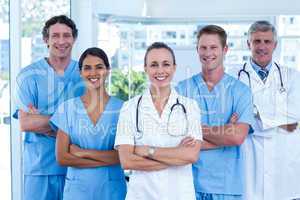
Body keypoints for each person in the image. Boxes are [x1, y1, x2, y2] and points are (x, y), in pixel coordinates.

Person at [115, 42, 202, 200]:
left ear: (174, 67)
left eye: (166, 64)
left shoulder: (190, 107)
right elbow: (126, 160)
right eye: (154, 65)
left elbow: (191, 155)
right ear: (146, 68)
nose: (160, 70)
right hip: (141, 195)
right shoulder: (129, 108)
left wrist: (146, 151)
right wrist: (176, 157)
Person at [176, 25, 255, 200]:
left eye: (213, 47)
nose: (208, 53)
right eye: (203, 47)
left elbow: (237, 137)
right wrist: (225, 131)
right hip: (189, 185)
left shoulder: (240, 91)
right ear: (197, 49)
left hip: (227, 187)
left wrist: (196, 129)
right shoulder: (182, 89)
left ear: (225, 49)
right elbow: (177, 140)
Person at [227, 20, 300, 200]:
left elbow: (295, 113)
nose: (262, 46)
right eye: (257, 41)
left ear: (275, 45)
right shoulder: (232, 78)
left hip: (283, 167)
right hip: (248, 164)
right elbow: (230, 117)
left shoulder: (292, 77)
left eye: (267, 42)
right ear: (248, 44)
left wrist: (253, 117)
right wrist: (279, 121)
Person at [14, 15, 84, 200]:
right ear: (46, 39)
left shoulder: (85, 75)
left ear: (74, 39)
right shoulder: (28, 76)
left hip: (77, 167)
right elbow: (26, 123)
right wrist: (69, 123)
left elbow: (90, 125)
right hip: (40, 168)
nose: (61, 41)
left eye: (67, 35)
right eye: (55, 36)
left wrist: (43, 120)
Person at [50, 47, 127, 200]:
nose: (93, 73)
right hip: (78, 191)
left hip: (112, 190)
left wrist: (82, 153)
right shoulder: (67, 108)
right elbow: (62, 157)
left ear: (107, 71)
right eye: (87, 68)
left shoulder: (123, 109)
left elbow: (124, 157)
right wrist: (107, 158)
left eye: (99, 67)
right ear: (80, 72)